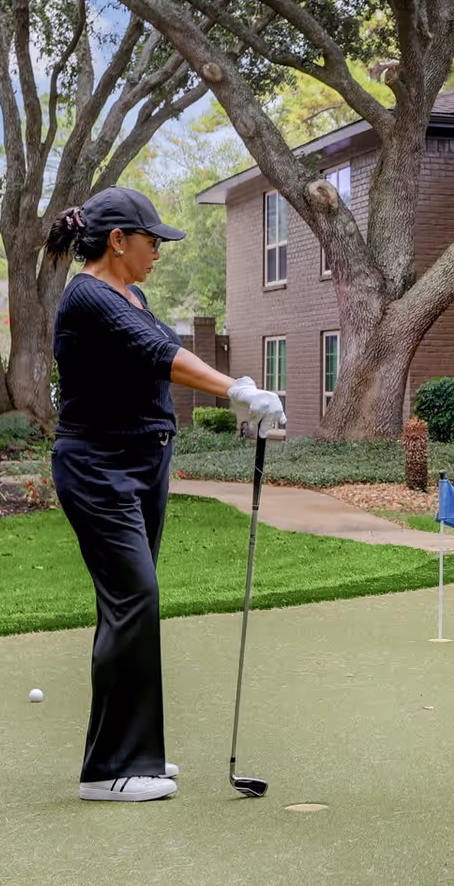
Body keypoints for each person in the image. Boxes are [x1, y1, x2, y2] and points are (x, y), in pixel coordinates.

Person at [46, 186, 286, 802]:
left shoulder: (133, 293)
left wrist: (236, 386)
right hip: (99, 470)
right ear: (118, 241)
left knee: (130, 606)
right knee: (136, 599)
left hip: (142, 464)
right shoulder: (88, 297)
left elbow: (157, 359)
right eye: (153, 240)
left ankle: (133, 754)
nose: (159, 250)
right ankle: (108, 773)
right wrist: (236, 390)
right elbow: (160, 353)